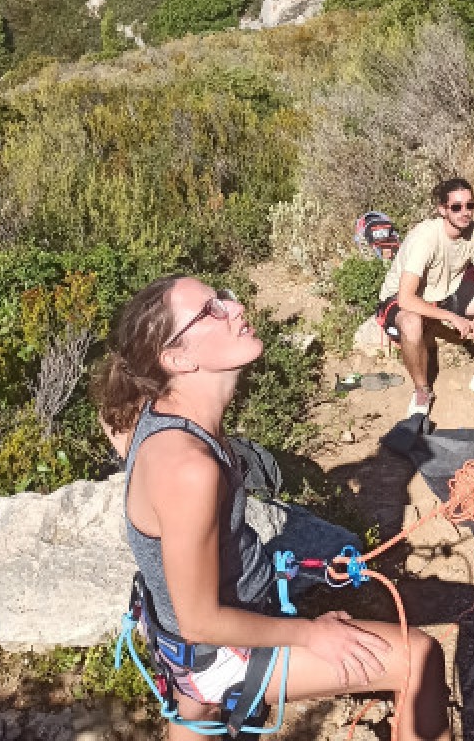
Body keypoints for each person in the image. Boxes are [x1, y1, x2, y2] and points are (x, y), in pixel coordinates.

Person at [91, 277, 452, 740]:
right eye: (211, 311)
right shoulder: (189, 469)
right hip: (217, 647)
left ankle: (198, 697)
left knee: (197, 705)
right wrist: (310, 633)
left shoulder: (152, 410)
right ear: (178, 360)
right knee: (416, 659)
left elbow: (114, 423)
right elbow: (201, 621)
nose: (235, 307)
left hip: (187, 647)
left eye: (222, 297)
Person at [375, 178, 474, 416]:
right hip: (405, 297)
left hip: (446, 291)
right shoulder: (425, 238)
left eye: (470, 205)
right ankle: (422, 390)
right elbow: (405, 298)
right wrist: (452, 318)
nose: (465, 213)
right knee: (412, 323)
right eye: (456, 207)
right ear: (442, 209)